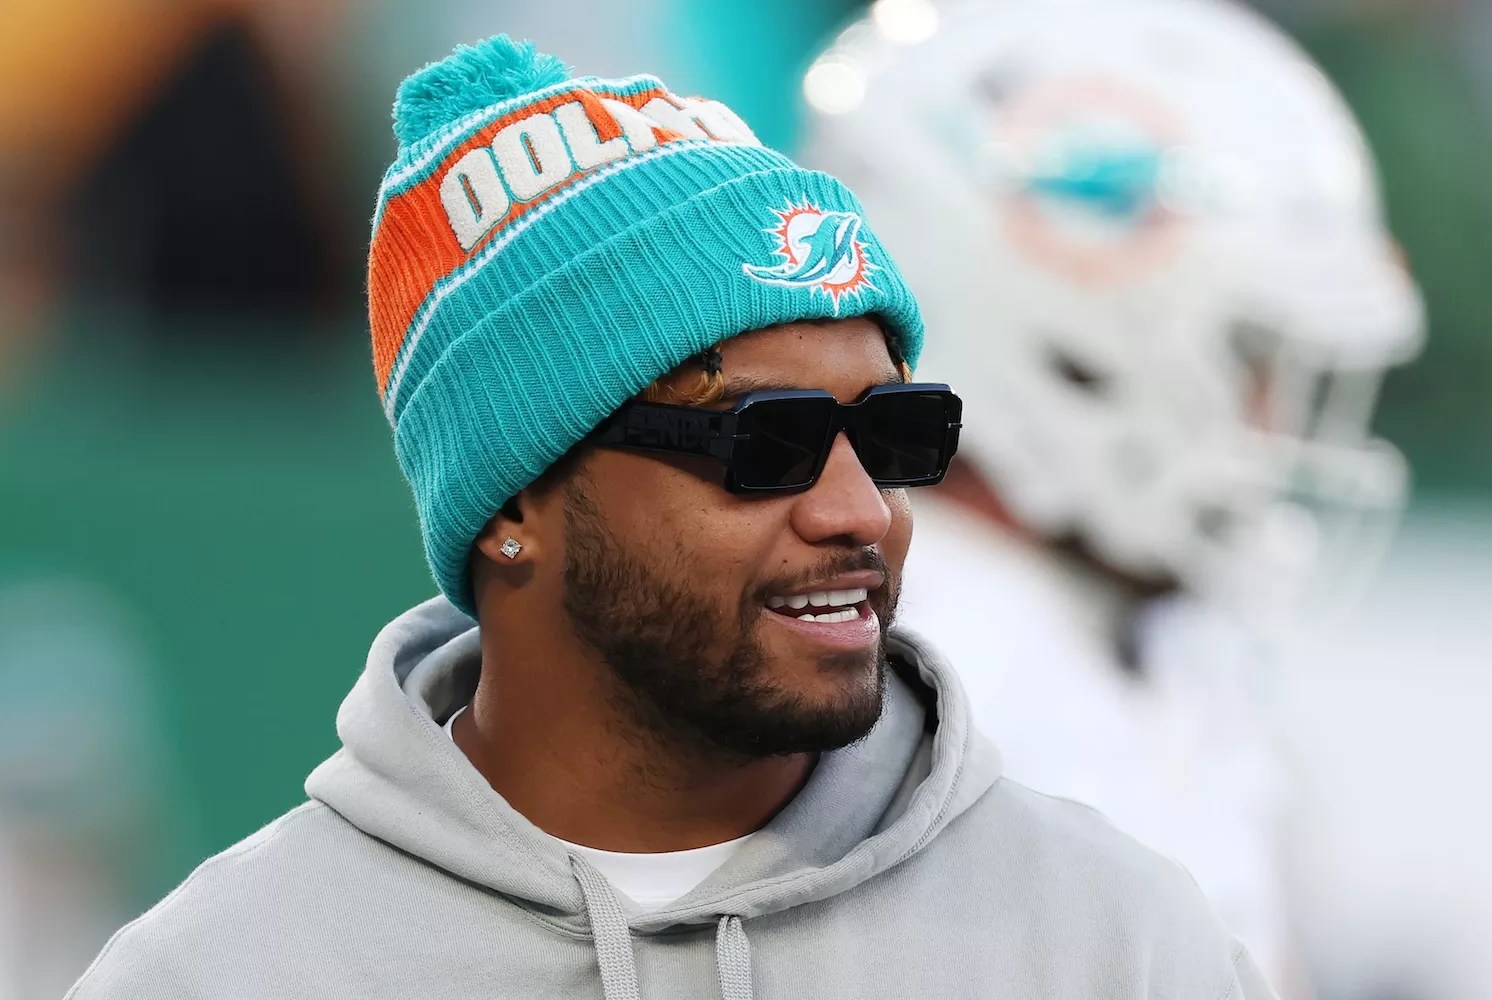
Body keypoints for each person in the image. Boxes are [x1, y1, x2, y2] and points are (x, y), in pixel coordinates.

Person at [66, 36, 1277, 1000]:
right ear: (518, 504)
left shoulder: (1113, 947)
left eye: (897, 434)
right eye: (768, 442)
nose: (861, 509)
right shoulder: (221, 976)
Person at [797, 0, 1424, 992]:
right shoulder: (931, 685)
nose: (1274, 424)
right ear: (1072, 345)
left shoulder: (1145, 631)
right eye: (1253, 357)